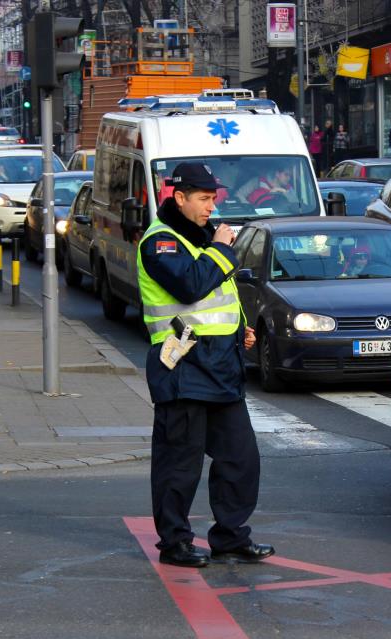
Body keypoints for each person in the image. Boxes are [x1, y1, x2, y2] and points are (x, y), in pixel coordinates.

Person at [137, 161, 273, 568]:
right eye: (203, 198)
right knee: (179, 463)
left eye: (213, 198)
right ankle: (175, 542)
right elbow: (191, 285)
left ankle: (230, 537)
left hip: (220, 365)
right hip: (182, 368)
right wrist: (222, 248)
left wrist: (240, 332)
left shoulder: (199, 238)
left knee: (240, 458)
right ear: (178, 198)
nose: (210, 206)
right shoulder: (160, 241)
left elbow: (216, 302)